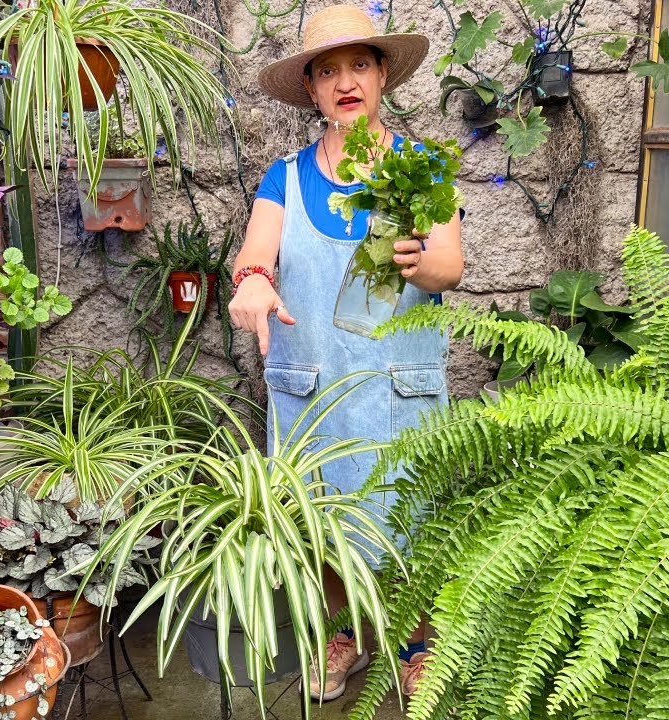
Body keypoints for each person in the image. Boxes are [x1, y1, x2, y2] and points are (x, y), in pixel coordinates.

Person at [228, 4, 464, 702]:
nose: (345, 81)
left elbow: (448, 268)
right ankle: (349, 635)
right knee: (322, 528)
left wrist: (413, 260)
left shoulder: (420, 169)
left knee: (415, 520)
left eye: (359, 63)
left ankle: (420, 642)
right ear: (312, 89)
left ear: (383, 72)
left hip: (397, 387)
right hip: (315, 388)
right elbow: (254, 256)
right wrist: (253, 287)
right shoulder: (286, 176)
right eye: (326, 71)